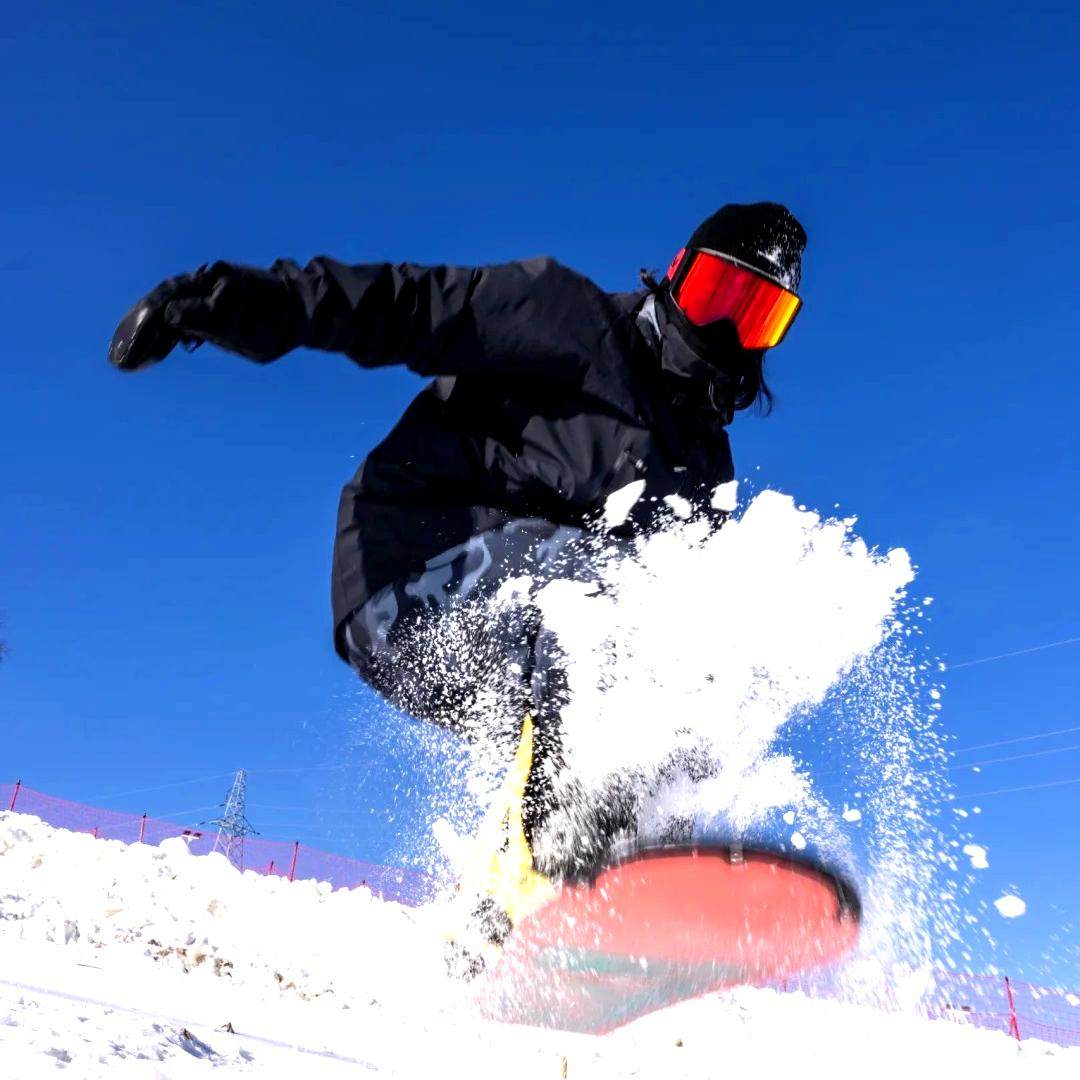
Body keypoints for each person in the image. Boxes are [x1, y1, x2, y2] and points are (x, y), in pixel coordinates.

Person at [109, 201, 807, 950]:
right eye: (716, 296)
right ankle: (546, 874)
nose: (726, 332)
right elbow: (407, 304)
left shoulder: (704, 469)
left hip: (525, 639)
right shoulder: (566, 317)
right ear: (675, 275)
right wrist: (240, 301)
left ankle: (535, 916)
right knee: (591, 591)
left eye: (757, 315)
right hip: (406, 573)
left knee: (689, 663)